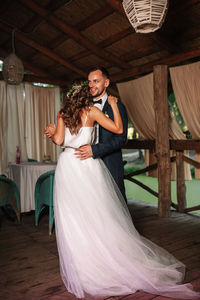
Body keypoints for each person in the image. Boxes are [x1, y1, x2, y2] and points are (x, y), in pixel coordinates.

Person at [44, 83, 199, 300]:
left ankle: (84, 264)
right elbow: (118, 129)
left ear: (69, 99)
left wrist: (52, 132)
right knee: (98, 214)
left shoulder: (62, 113)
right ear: (85, 97)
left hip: (68, 165)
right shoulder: (93, 111)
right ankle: (102, 258)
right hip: (87, 165)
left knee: (73, 217)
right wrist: (115, 106)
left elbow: (59, 141)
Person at [74, 67, 128, 201]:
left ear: (106, 83)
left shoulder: (116, 105)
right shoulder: (83, 107)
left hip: (110, 164)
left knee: (116, 204)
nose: (91, 85)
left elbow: (121, 138)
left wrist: (95, 150)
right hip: (87, 164)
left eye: (96, 81)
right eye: (89, 82)